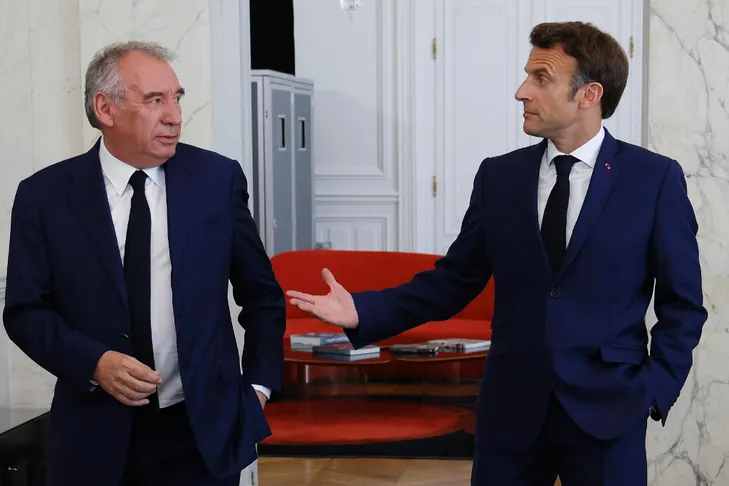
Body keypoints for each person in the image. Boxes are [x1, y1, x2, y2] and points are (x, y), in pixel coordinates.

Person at [286, 21, 708, 486]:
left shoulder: (654, 180)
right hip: (511, 409)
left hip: (610, 409)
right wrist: (361, 311)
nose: (521, 91)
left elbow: (683, 306)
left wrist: (653, 391)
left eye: (541, 79)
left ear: (589, 95)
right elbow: (452, 281)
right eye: (527, 75)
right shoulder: (498, 177)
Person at [3, 41, 285, 486]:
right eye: (154, 101)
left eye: (177, 98)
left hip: (201, 436)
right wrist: (94, 363)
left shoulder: (217, 180)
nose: (174, 116)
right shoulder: (45, 196)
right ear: (105, 108)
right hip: (92, 437)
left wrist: (257, 389)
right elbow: (25, 312)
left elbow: (263, 297)